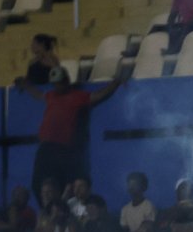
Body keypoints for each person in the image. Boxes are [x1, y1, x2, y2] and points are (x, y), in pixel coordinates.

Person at [14, 66, 122, 199]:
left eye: (60, 82)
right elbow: (38, 94)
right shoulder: (51, 95)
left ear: (66, 81)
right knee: (39, 183)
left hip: (64, 148)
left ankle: (68, 210)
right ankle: (49, 210)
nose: (57, 86)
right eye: (55, 83)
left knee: (69, 184)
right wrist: (26, 84)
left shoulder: (78, 96)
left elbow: (99, 96)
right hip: (46, 147)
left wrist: (116, 83)